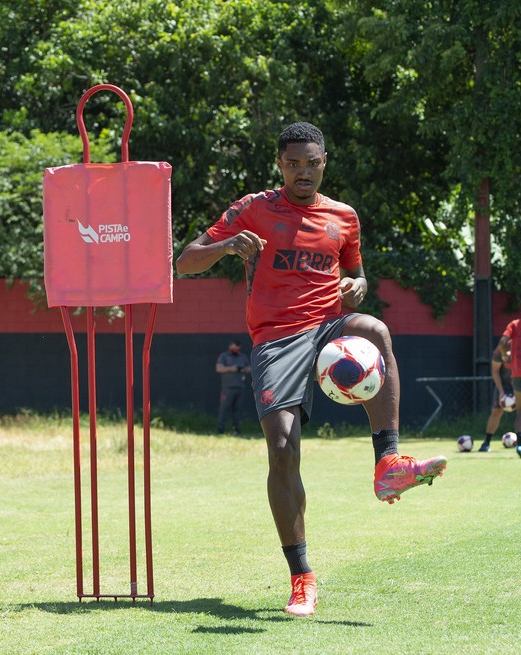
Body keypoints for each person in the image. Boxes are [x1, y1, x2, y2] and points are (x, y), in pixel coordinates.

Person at [175, 121, 447, 617]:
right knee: (282, 450)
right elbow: (185, 261)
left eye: (312, 163)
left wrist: (357, 287)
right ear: (280, 165)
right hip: (276, 340)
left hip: (327, 327)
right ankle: (301, 577)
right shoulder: (253, 208)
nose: (303, 172)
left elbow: (357, 276)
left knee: (375, 330)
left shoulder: (344, 216)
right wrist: (226, 247)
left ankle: (388, 464)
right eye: (293, 164)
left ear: (325, 162)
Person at [496, 300, 521, 458]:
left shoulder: (514, 324)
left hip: (518, 373)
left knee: (520, 411)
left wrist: (504, 356)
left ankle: (520, 445)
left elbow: (503, 342)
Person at [476, 341, 514, 452]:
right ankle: (486, 443)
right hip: (504, 385)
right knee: (496, 411)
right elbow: (495, 370)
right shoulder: (501, 349)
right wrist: (501, 391)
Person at [215, 339, 251, 435]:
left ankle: (236, 430)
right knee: (224, 409)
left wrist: (243, 369)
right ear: (230, 346)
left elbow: (249, 369)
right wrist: (231, 368)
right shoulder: (224, 356)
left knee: (237, 410)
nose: (236, 349)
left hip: (240, 387)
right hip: (227, 388)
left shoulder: (242, 356)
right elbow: (218, 368)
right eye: (235, 346)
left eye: (238, 347)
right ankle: (220, 429)